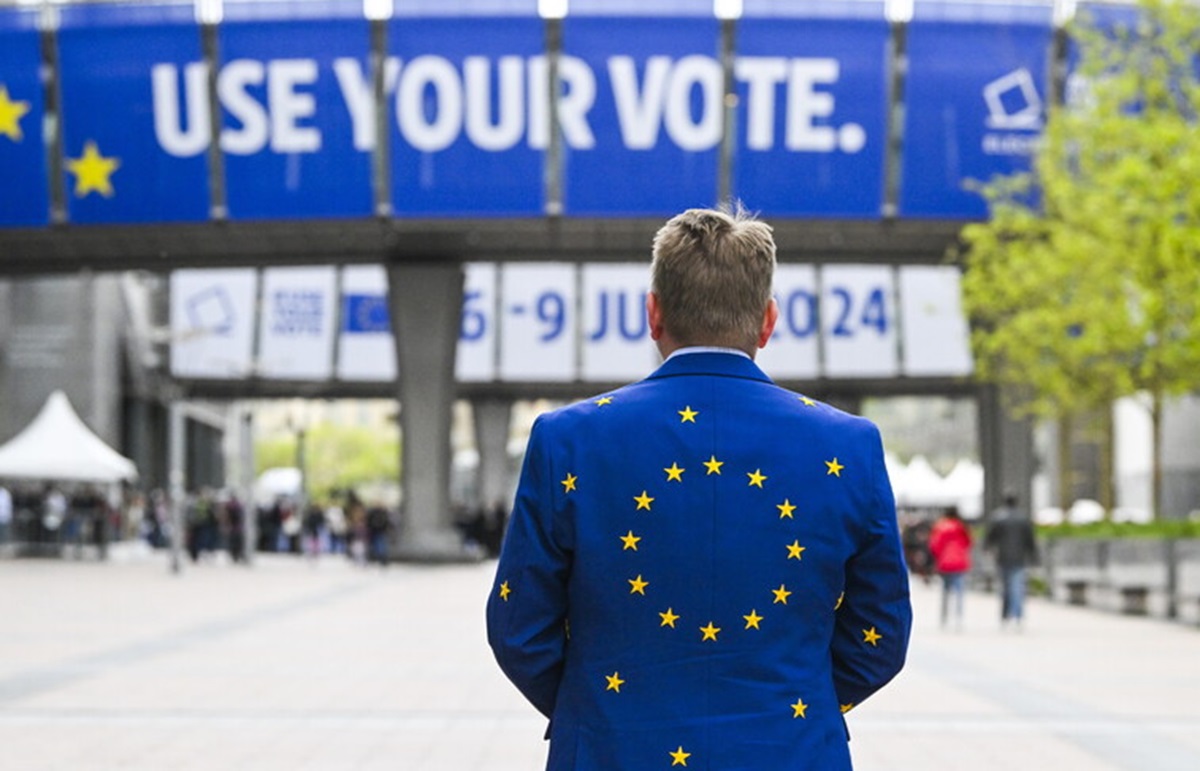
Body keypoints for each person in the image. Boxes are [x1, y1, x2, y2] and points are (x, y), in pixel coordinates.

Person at [486, 207, 912, 769]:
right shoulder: (848, 444)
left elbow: (519, 629)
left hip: (612, 750)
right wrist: (794, 706)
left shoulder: (567, 440)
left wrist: (599, 710)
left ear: (653, 313)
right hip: (790, 749)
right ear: (768, 320)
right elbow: (881, 632)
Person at [984, 491, 1039, 629]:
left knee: (1006, 588)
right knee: (1017, 587)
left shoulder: (998, 518)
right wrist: (1034, 556)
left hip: (1003, 557)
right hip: (1019, 557)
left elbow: (990, 538)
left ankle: (1006, 614)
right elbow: (1030, 540)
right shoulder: (1023, 518)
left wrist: (987, 549)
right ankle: (1018, 615)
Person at [928, 506, 972, 630]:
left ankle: (944, 617)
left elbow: (934, 545)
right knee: (959, 591)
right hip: (960, 562)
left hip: (945, 562)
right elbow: (969, 542)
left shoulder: (940, 526)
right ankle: (958, 617)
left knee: (945, 591)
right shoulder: (962, 526)